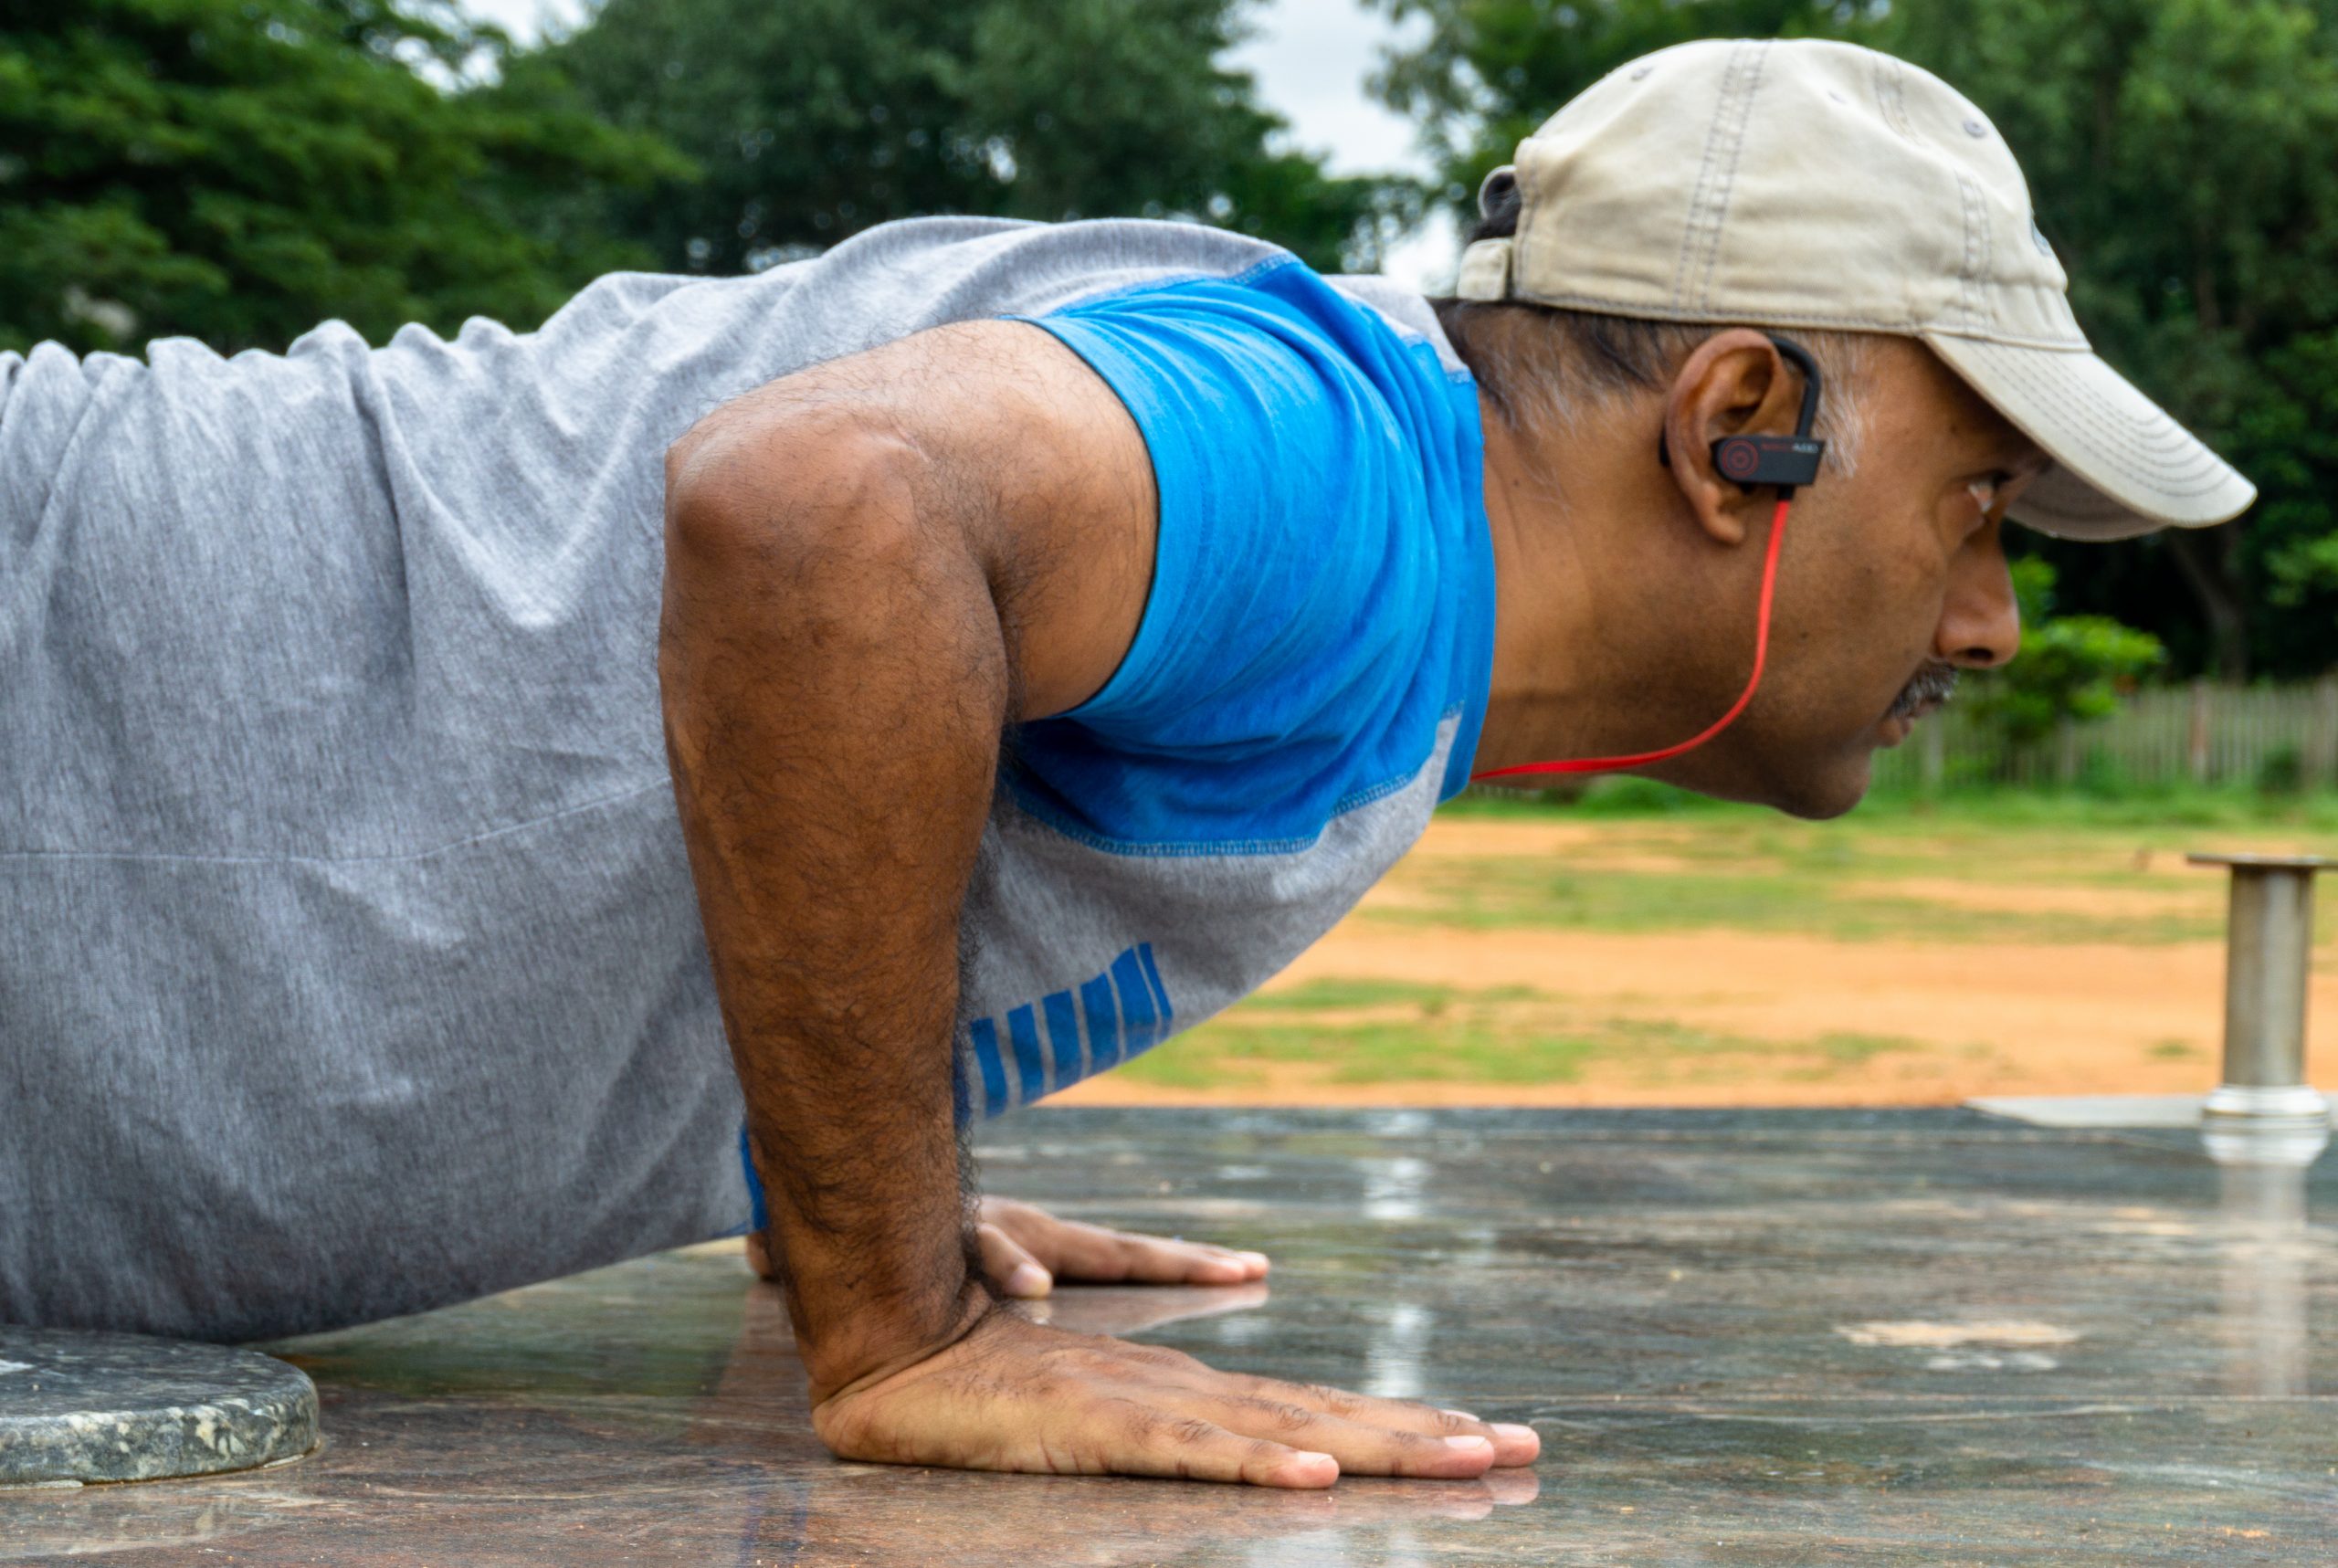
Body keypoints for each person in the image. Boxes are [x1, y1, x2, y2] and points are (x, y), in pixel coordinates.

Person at [0, 37, 2252, 1489]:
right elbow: (823, 512)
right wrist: (901, 1314)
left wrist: (825, 1156)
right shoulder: (1359, 486)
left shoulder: (1371, 601)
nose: (1983, 614)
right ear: (1734, 422)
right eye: (1972, 509)